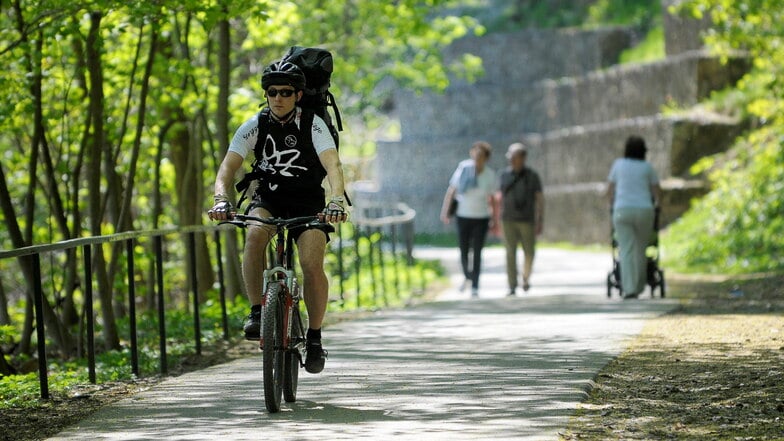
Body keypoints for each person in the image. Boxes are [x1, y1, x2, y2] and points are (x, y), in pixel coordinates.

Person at [208, 60, 348, 374]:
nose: (278, 98)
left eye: (286, 92)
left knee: (312, 264)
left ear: (298, 95)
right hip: (269, 198)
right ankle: (258, 311)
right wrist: (220, 198)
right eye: (272, 92)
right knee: (255, 233)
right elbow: (227, 169)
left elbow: (333, 166)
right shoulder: (255, 124)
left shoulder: (312, 124)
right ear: (267, 94)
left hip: (309, 202)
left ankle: (314, 337)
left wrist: (337, 199)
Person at [606, 135, 661, 299]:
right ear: (644, 151)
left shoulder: (618, 165)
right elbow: (657, 192)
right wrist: (657, 204)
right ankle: (639, 285)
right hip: (644, 210)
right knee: (640, 249)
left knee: (626, 249)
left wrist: (610, 204)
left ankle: (629, 289)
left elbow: (609, 189)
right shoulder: (647, 167)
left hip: (622, 210)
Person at [440, 141, 497, 297]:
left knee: (477, 251)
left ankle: (475, 285)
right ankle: (467, 276)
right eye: (475, 155)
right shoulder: (463, 168)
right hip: (463, 216)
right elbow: (452, 190)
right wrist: (445, 211)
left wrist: (495, 219)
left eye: (480, 156)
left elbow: (492, 198)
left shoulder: (490, 175)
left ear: (486, 158)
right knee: (464, 250)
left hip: (481, 217)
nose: (477, 159)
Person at [496, 143, 544, 296]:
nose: (511, 159)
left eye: (514, 156)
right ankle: (512, 285)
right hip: (508, 219)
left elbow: (540, 199)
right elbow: (498, 198)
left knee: (529, 252)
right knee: (510, 252)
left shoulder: (532, 176)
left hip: (527, 219)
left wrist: (540, 219)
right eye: (510, 156)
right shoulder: (504, 175)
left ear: (523, 158)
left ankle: (525, 277)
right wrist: (495, 218)